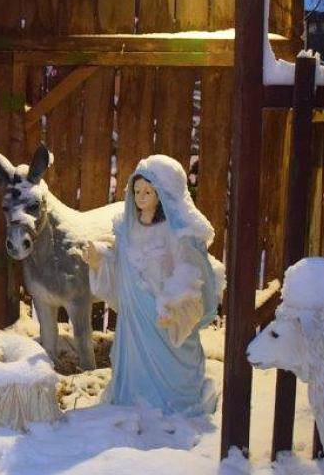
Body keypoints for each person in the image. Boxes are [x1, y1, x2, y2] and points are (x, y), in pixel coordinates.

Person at [82, 155, 224, 416]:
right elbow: (121, 266)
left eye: (148, 191)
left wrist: (175, 306)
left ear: (162, 195)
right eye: (137, 191)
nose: (141, 197)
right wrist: (99, 258)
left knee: (171, 360)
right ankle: (134, 399)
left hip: (161, 315)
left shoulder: (174, 232)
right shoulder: (127, 229)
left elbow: (188, 271)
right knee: (135, 366)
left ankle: (172, 400)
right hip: (134, 320)